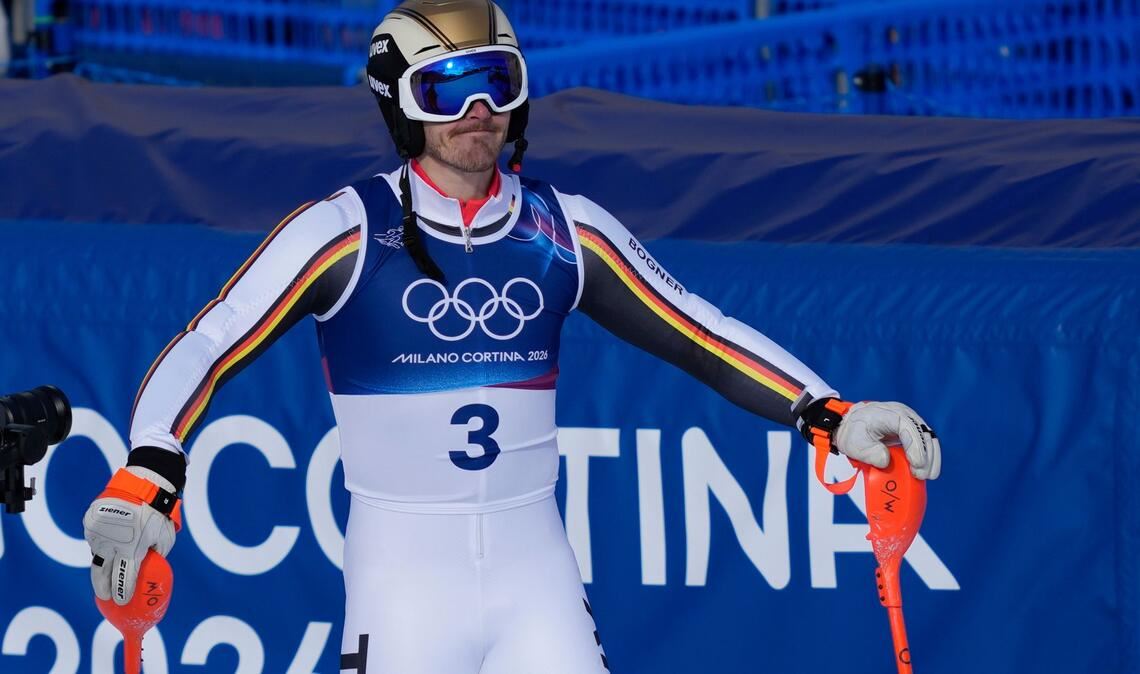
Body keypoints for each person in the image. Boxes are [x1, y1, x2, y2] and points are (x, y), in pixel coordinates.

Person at [82, 1, 942, 672]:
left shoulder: (565, 229)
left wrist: (829, 413)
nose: (479, 109)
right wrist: (149, 467)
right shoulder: (344, 229)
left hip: (538, 574)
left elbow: (700, 332)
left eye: (496, 79)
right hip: (405, 579)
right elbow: (210, 340)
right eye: (448, 88)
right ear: (403, 105)